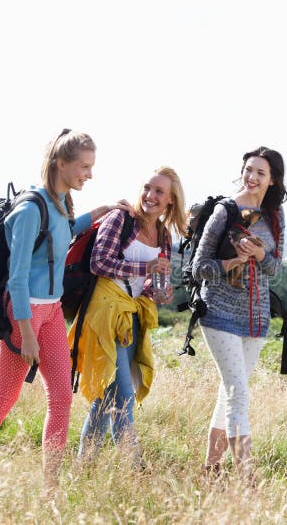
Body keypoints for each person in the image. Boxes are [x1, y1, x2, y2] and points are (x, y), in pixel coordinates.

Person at [0, 129, 132, 488]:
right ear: (61, 163)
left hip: (53, 312)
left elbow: (65, 232)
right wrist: (25, 332)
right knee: (4, 398)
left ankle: (50, 487)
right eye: (84, 166)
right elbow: (18, 277)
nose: (89, 174)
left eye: (91, 167)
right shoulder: (30, 210)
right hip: (22, 314)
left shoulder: (60, 204)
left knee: (61, 398)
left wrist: (102, 211)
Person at [72, 166, 187, 465]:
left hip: (133, 316)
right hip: (104, 313)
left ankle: (82, 468)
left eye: (159, 191)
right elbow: (99, 263)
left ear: (171, 201)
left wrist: (158, 291)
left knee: (104, 400)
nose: (150, 195)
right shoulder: (120, 219)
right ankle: (134, 466)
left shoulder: (163, 235)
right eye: (147, 187)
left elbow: (148, 284)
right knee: (122, 395)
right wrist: (144, 270)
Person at [191, 146, 287, 485]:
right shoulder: (224, 212)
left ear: (272, 180)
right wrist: (230, 263)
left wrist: (260, 254)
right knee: (238, 393)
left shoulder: (276, 217)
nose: (252, 177)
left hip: (257, 319)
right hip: (218, 312)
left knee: (230, 392)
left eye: (261, 172)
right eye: (249, 169)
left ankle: (211, 470)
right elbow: (198, 267)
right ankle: (247, 479)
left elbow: (275, 268)